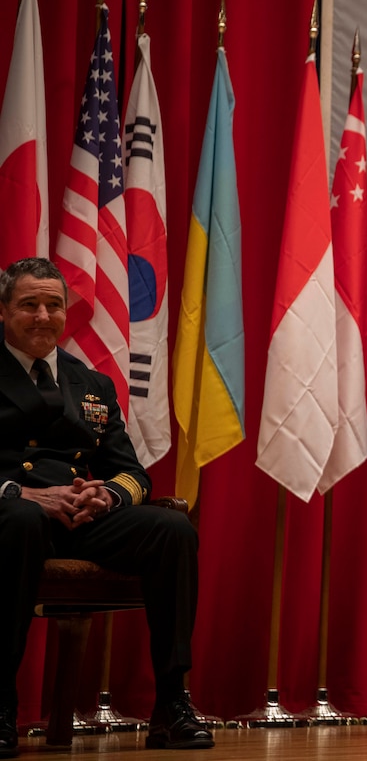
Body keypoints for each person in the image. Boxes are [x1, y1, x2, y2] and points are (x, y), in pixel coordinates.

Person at [0, 257, 211, 755]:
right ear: (4, 311)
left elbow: (133, 473)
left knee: (172, 529)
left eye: (54, 305)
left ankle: (171, 704)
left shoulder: (91, 384)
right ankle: (1, 703)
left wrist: (105, 495)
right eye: (29, 305)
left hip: (77, 518)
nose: (43, 316)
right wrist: (23, 493)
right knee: (23, 519)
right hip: (12, 515)